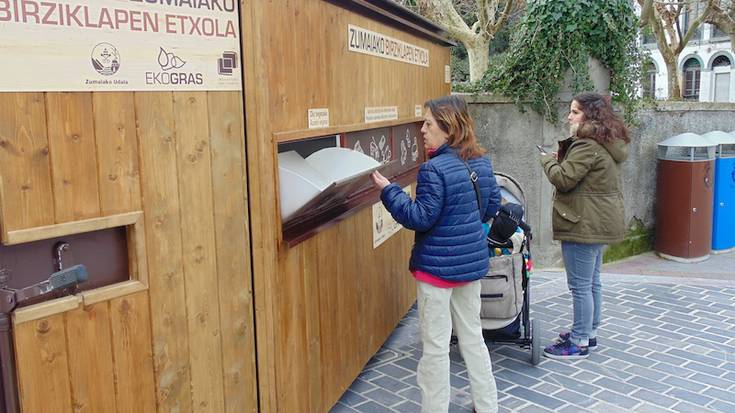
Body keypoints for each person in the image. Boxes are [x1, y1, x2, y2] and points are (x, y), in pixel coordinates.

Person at [371, 95, 501, 413]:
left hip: (436, 273)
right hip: (470, 267)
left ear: (448, 127)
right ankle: (487, 406)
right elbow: (493, 205)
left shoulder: (433, 170)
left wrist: (389, 191)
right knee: (473, 338)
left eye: (428, 123)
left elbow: (419, 217)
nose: (422, 129)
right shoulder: (481, 162)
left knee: (436, 348)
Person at [539, 92, 629, 360]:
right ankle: (588, 332)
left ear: (590, 116)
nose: (569, 116)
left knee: (580, 285)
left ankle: (578, 341)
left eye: (575, 112)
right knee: (592, 283)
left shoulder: (587, 144)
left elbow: (564, 179)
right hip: (597, 220)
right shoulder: (606, 140)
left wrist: (547, 159)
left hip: (583, 222)